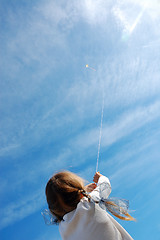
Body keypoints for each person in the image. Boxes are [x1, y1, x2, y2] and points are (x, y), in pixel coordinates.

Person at [45, 171, 134, 240]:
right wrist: (101, 178)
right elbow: (105, 186)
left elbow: (67, 204)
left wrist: (84, 191)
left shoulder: (63, 228)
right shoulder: (88, 204)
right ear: (80, 194)